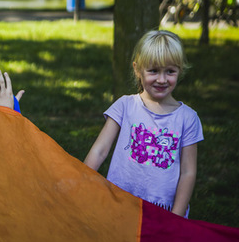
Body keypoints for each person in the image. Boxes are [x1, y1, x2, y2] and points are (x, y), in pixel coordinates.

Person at [83, 30, 203, 217]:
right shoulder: (125, 105)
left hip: (163, 213)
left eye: (170, 71)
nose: (162, 79)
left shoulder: (188, 118)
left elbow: (188, 172)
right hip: (119, 206)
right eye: (154, 71)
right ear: (138, 69)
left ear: (180, 70)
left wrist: (176, 217)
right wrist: (80, 184)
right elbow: (100, 150)